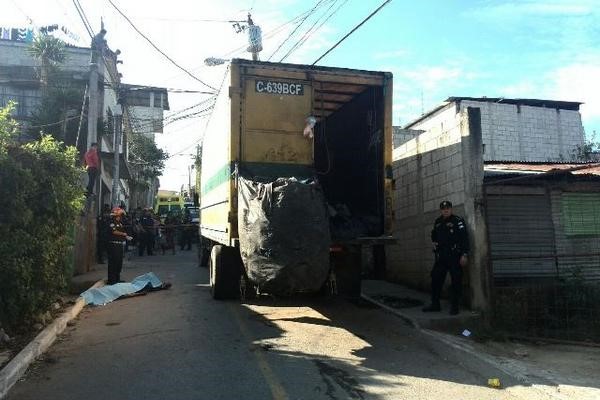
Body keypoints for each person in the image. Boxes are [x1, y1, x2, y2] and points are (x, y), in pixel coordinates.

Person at [423, 200, 469, 315]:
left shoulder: (457, 221)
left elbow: (464, 238)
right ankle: (435, 304)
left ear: (451, 209)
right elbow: (434, 234)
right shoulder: (438, 222)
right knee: (435, 278)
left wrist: (464, 254)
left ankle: (455, 307)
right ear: (441, 210)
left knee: (456, 281)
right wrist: (434, 242)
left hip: (454, 256)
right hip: (442, 256)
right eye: (443, 209)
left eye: (448, 208)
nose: (446, 210)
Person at [106, 207, 132, 285]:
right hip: (113, 245)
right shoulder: (112, 222)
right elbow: (114, 231)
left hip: (119, 245)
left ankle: (117, 279)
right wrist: (123, 234)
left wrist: (126, 236)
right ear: (116, 215)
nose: (121, 217)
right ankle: (112, 280)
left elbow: (122, 232)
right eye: (120, 215)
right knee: (113, 262)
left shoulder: (120, 223)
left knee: (119, 262)